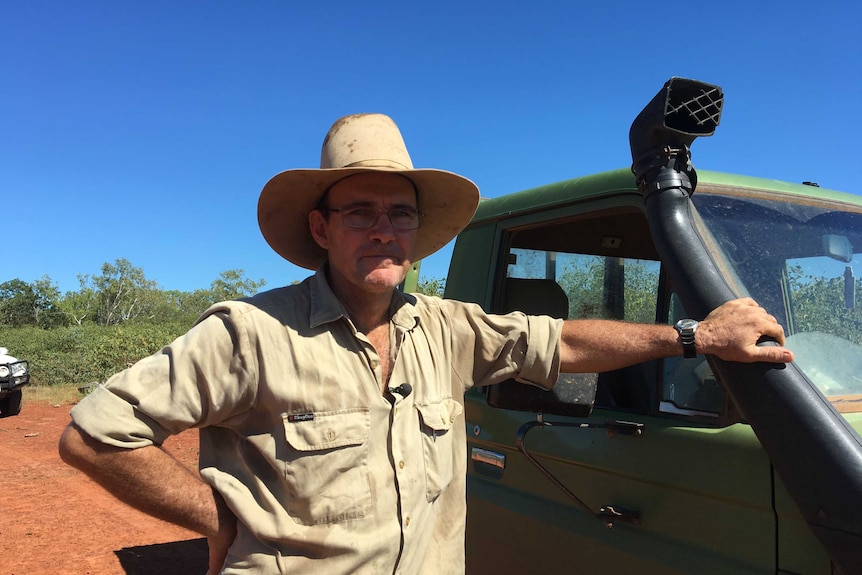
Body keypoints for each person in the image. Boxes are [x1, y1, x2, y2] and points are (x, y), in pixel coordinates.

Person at [59, 113, 793, 574]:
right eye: (360, 211)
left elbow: (564, 341)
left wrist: (696, 335)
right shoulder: (251, 334)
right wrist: (219, 518)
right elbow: (95, 435)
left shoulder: (446, 328)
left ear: (417, 232)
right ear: (320, 228)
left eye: (399, 213)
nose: (383, 230)